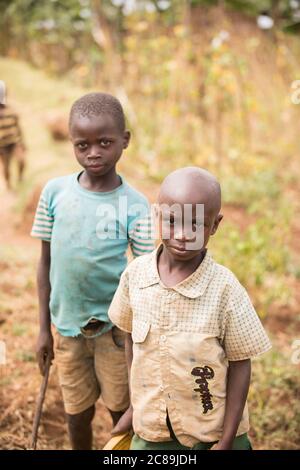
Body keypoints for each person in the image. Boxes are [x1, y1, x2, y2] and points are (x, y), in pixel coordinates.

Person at [108, 166, 272, 450]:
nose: (183, 235)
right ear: (157, 216)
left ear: (215, 225)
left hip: (210, 432)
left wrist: (227, 440)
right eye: (173, 221)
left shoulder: (224, 289)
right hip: (153, 431)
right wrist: (136, 406)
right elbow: (130, 341)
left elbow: (240, 363)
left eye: (195, 225)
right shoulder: (135, 277)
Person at [31, 92, 155, 450]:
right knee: (77, 413)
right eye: (82, 145)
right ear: (71, 143)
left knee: (121, 411)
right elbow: (45, 264)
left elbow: (145, 273)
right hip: (67, 330)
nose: (93, 153)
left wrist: (141, 338)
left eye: (105, 142)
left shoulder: (134, 205)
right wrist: (43, 329)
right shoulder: (54, 193)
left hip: (116, 334)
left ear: (125, 141)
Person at [0, 82, 25, 189]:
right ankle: (8, 185)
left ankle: (20, 178)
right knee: (6, 167)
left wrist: (22, 142)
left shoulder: (11, 110)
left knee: (22, 160)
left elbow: (18, 127)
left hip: (14, 142)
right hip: (2, 146)